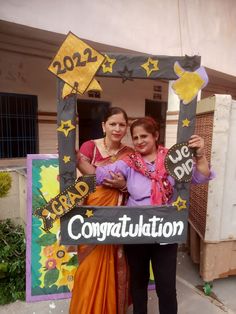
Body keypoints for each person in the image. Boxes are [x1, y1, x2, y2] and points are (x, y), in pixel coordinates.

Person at [77, 116, 215, 314]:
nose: (140, 141)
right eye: (135, 137)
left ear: (156, 135)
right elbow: (99, 175)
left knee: (166, 288)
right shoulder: (129, 163)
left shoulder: (173, 160)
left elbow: (200, 176)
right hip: (136, 233)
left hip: (165, 233)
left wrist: (200, 156)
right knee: (138, 285)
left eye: (144, 136)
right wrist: (77, 160)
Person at [70, 107, 133, 314]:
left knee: (117, 265)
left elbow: (134, 184)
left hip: (118, 218)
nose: (117, 128)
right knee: (90, 266)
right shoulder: (91, 147)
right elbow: (85, 172)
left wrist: (123, 185)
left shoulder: (130, 154)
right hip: (92, 217)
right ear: (103, 125)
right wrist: (113, 181)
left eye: (122, 125)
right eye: (112, 124)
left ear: (126, 128)